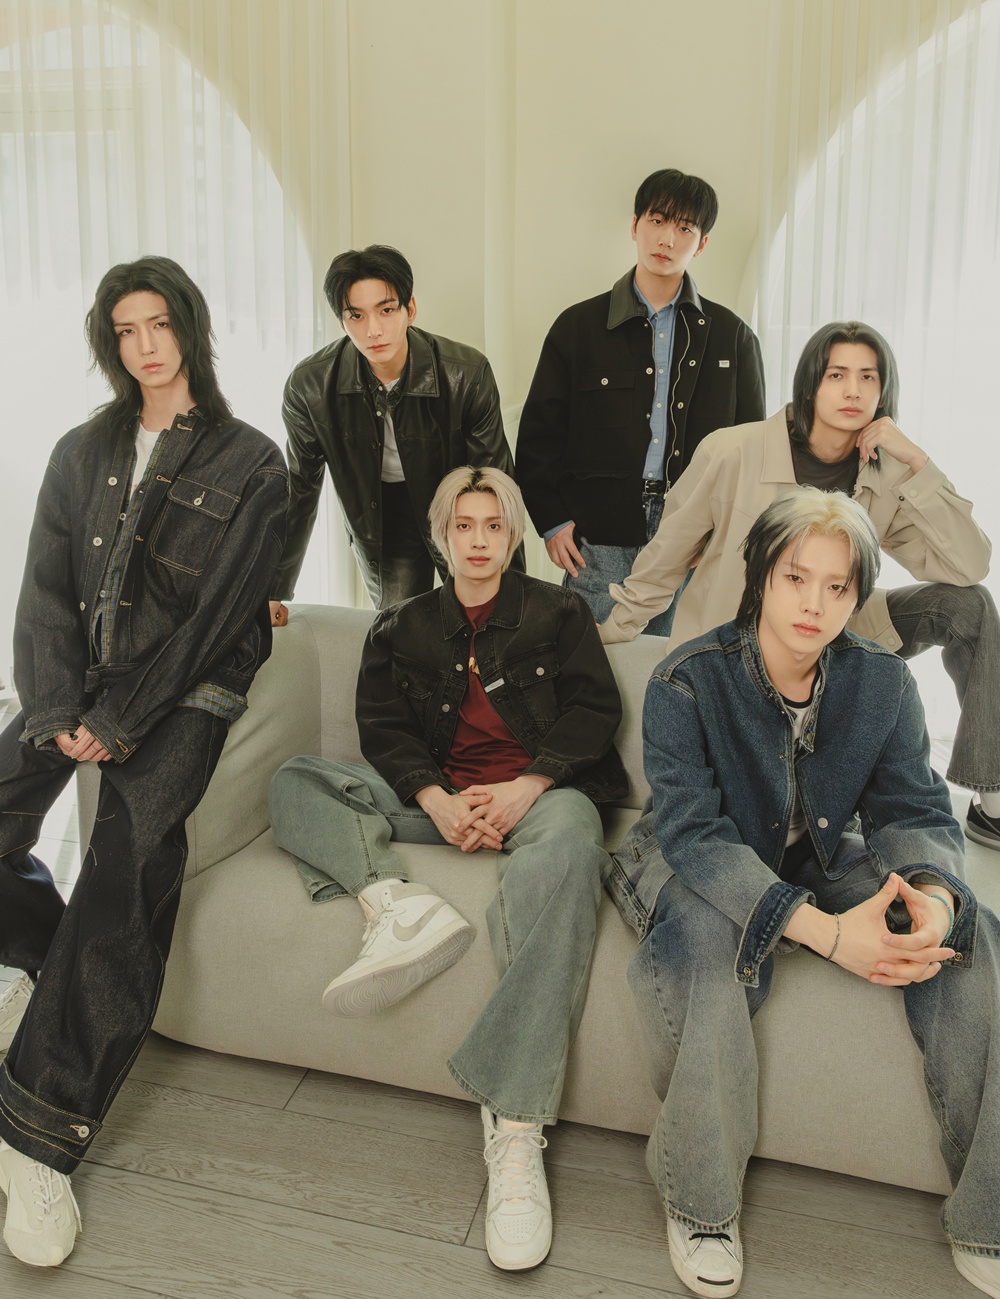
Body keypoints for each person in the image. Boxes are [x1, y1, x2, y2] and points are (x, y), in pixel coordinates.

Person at [608, 487, 1000, 1298]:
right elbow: (695, 835)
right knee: (707, 939)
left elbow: (914, 809)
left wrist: (931, 894)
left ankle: (991, 1212)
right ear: (761, 575)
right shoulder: (684, 680)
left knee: (969, 928)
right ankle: (701, 1203)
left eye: (837, 586)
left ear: (857, 596)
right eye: (796, 577)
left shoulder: (883, 682)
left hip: (812, 850)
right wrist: (826, 932)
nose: (814, 603)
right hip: (695, 855)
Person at [0, 257, 288, 1267]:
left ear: (190, 328)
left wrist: (119, 719)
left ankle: (38, 1134)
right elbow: (42, 590)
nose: (144, 346)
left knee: (129, 865)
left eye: (158, 324)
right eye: (124, 330)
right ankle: (30, 958)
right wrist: (56, 708)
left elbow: (215, 623)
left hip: (184, 693)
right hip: (75, 684)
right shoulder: (81, 450)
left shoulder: (253, 462)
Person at [269, 466, 625, 1272]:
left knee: (575, 848)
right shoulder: (401, 626)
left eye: (493, 525)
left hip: (538, 799)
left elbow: (594, 713)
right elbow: (381, 726)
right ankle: (393, 901)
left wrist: (527, 785)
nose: (478, 540)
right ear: (441, 536)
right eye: (463, 525)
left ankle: (516, 1124)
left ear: (513, 534)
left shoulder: (561, 612)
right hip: (438, 804)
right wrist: (434, 798)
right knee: (296, 779)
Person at [599, 320, 1000, 849]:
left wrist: (919, 464)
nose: (853, 391)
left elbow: (969, 564)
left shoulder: (886, 476)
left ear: (884, 392)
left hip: (835, 634)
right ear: (810, 384)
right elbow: (666, 556)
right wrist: (613, 629)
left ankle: (992, 801)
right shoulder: (732, 451)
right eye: (837, 375)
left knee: (970, 605)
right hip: (739, 652)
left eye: (868, 377)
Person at [515, 168, 765, 633]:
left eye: (684, 228)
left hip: (693, 538)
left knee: (676, 664)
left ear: (701, 244)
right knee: (592, 663)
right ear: (635, 225)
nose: (667, 239)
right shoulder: (578, 327)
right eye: (657, 220)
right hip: (599, 537)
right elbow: (538, 437)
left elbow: (752, 451)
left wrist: (726, 533)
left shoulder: (733, 338)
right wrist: (552, 521)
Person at [269, 244, 517, 622]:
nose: (373, 330)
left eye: (386, 310)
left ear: (410, 309)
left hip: (461, 506)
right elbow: (300, 488)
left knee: (488, 619)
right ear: (341, 322)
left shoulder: (466, 373)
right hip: (383, 514)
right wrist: (275, 587)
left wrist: (510, 581)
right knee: (403, 630)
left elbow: (495, 480)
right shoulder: (310, 386)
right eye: (356, 315)